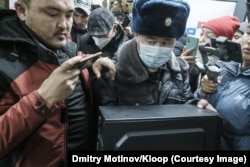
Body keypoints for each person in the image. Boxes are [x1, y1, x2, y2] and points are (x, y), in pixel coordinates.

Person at [0, 0, 115, 166]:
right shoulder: (3, 62)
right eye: (52, 14)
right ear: (22, 10)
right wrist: (43, 99)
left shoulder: (68, 49)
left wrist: (89, 63)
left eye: (69, 15)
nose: (64, 24)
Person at [92, 0, 215, 111]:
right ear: (137, 36)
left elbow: (184, 103)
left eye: (166, 42)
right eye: (151, 42)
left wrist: (196, 106)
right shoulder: (113, 74)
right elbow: (108, 126)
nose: (158, 48)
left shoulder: (180, 71)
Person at [195, 22, 250, 151]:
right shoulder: (223, 67)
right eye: (249, 32)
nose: (249, 41)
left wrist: (216, 118)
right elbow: (196, 101)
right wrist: (202, 92)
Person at [181, 15, 240, 93]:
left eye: (209, 36)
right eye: (201, 34)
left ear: (222, 42)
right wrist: (180, 65)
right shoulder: (193, 58)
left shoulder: (227, 70)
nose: (201, 40)